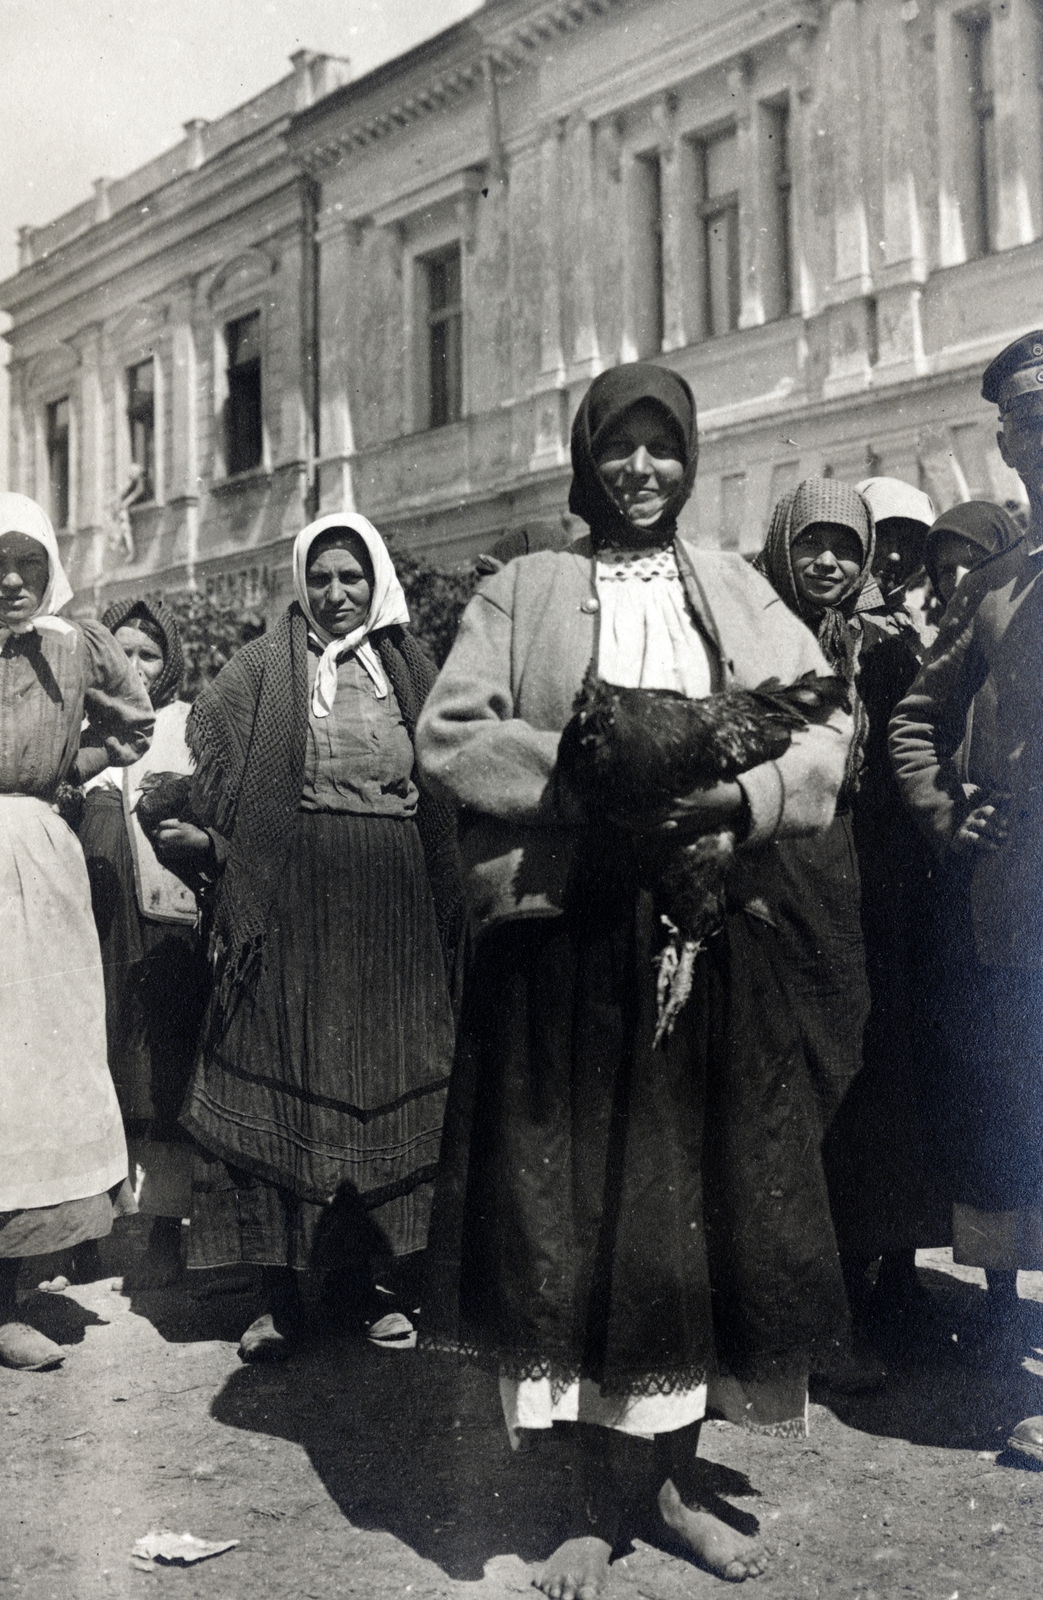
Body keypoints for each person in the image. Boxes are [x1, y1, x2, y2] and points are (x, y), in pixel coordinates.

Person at [415, 364, 853, 1593]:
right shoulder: (524, 589)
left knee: (691, 1212)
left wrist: (739, 799)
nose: (642, 471)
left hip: (703, 941)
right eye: (621, 450)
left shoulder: (733, 587)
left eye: (664, 449)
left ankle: (664, 1485)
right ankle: (579, 1506)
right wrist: (593, 781)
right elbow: (450, 734)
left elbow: (826, 726)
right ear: (587, 461)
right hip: (566, 945)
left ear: (691, 460)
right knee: (567, 1221)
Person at [180, 512, 461, 1361]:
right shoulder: (268, 664)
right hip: (291, 898)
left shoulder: (412, 666)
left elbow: (454, 764)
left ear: (376, 582)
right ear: (302, 583)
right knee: (284, 1079)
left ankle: (368, 1286)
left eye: (352, 578)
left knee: (387, 1078)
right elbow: (208, 739)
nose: (337, 595)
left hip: (393, 898)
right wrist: (234, 825)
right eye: (323, 579)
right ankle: (279, 1297)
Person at [0, 493, 153, 1374]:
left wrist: (60, 773)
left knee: (21, 1081)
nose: (12, 580)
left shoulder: (73, 641)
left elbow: (134, 720)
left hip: (38, 869)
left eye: (31, 564)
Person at [890, 331, 1043, 1462]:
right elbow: (910, 718)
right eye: (1028, 424)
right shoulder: (995, 587)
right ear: (1008, 444)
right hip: (1019, 911)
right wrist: (948, 811)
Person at [754, 480, 947, 1352]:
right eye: (810, 544)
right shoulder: (754, 636)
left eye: (845, 546)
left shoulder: (880, 644)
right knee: (779, 1081)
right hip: (772, 877)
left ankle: (858, 1288)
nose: (828, 562)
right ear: (783, 546)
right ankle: (794, 1315)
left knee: (853, 1074)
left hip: (855, 884)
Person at [75, 597, 212, 1290]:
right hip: (92, 924)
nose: (134, 666)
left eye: (149, 655)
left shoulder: (188, 727)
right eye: (121, 651)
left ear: (170, 665)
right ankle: (83, 1230)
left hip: (165, 924)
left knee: (164, 1072)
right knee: (94, 1062)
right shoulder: (75, 726)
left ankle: (164, 1224)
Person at [856, 475, 936, 623]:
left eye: (906, 542)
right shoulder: (824, 621)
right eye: (883, 537)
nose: (895, 556)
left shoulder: (917, 629)